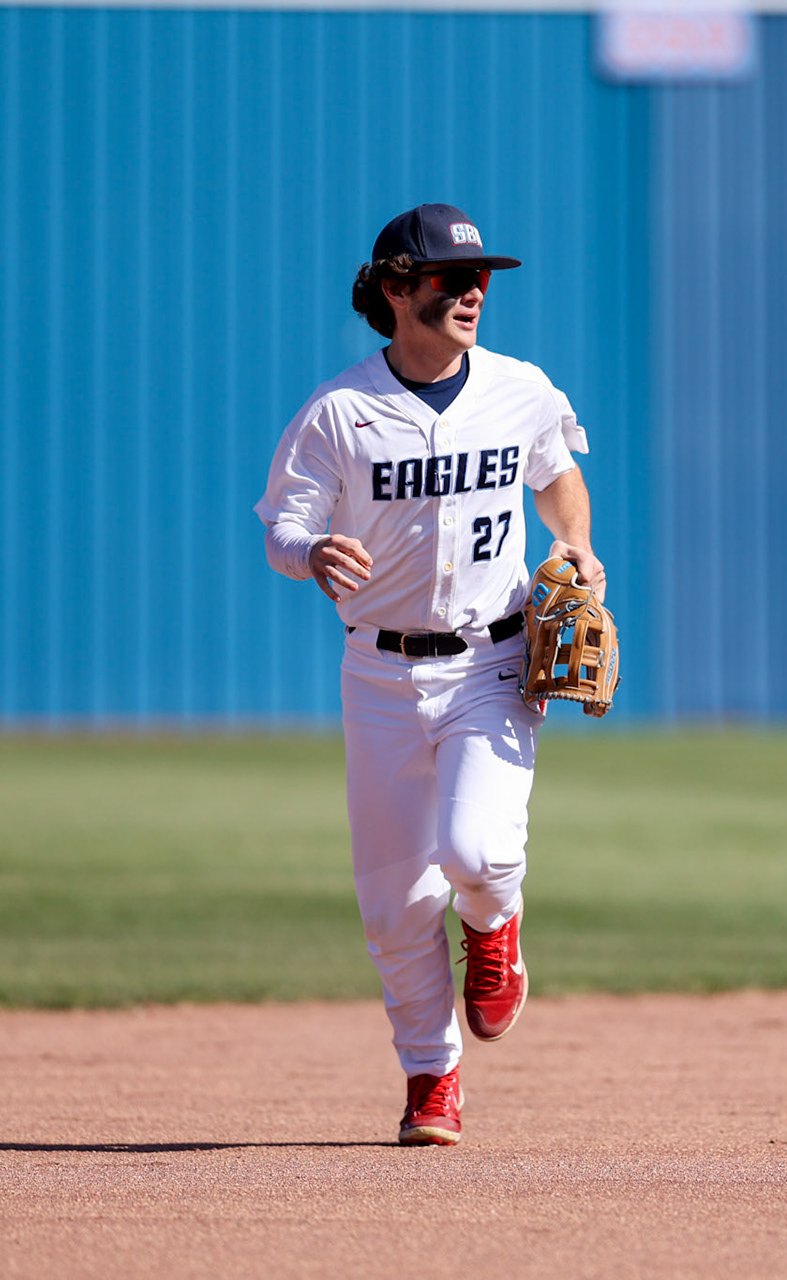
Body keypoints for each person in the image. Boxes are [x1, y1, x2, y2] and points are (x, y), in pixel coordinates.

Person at [254, 204, 605, 1146]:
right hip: (377, 676)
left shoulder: (519, 388)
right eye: (451, 278)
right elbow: (283, 523)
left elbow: (555, 469)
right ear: (396, 289)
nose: (472, 291)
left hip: (493, 659)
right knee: (396, 903)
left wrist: (573, 544)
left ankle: (497, 929)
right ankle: (431, 1081)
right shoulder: (341, 411)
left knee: (477, 852)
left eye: (481, 276)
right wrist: (311, 552)